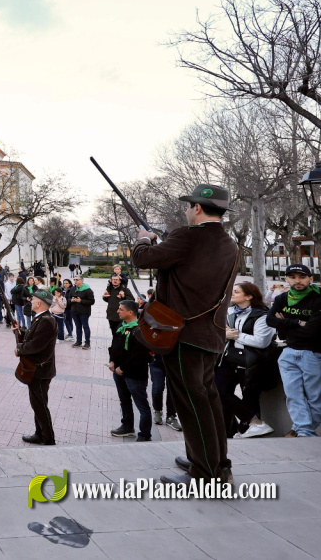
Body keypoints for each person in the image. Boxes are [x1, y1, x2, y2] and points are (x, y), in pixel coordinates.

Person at [132, 183, 238, 485]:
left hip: (182, 335)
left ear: (198, 208)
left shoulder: (188, 236)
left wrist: (143, 239)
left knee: (192, 405)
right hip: (211, 335)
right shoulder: (230, 244)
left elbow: (143, 259)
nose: (186, 211)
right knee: (208, 401)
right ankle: (216, 464)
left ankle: (205, 474)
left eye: (188, 206)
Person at [266, 263, 321, 438]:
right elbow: (270, 320)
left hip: (315, 353)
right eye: (293, 277)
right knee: (293, 395)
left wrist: (285, 323)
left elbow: (312, 331)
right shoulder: (282, 298)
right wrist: (296, 322)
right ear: (286, 279)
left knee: (315, 397)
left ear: (310, 279)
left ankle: (301, 431)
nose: (297, 281)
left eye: (302, 277)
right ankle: (303, 431)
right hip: (289, 352)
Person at [217, 283, 276, 439]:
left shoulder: (262, 315)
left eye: (236, 292)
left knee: (250, 396)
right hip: (229, 358)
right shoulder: (230, 311)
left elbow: (261, 341)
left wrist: (236, 336)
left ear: (249, 296)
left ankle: (248, 429)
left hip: (251, 362)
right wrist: (226, 335)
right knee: (218, 389)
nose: (232, 294)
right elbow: (222, 332)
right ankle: (249, 424)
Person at [15, 289, 58, 445]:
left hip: (40, 371)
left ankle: (48, 438)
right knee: (37, 404)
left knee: (40, 405)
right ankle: (39, 434)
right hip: (38, 370)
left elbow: (36, 345)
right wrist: (20, 330)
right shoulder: (41, 318)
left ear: (39, 303)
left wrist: (20, 349)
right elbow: (33, 336)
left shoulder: (46, 321)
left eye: (33, 299)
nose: (31, 301)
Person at [108, 300, 152, 442]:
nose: (118, 311)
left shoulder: (140, 329)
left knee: (142, 405)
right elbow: (114, 345)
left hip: (134, 374)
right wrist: (112, 361)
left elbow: (139, 355)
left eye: (121, 309)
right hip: (119, 372)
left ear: (130, 312)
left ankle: (145, 434)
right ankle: (127, 427)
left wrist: (123, 368)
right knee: (124, 401)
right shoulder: (121, 326)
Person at [68, 275, 95, 349]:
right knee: (78, 326)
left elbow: (92, 301)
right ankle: (78, 341)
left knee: (85, 326)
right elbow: (68, 298)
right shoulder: (73, 288)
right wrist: (71, 300)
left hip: (84, 312)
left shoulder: (87, 290)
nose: (75, 281)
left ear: (82, 280)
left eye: (77, 280)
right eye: (74, 280)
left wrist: (81, 301)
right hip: (74, 311)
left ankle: (87, 343)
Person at [102, 274, 128, 338]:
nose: (115, 281)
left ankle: (118, 344)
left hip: (120, 316)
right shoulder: (110, 289)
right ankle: (114, 344)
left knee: (120, 334)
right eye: (113, 279)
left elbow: (131, 300)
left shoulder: (125, 290)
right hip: (111, 315)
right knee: (114, 333)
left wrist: (124, 297)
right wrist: (105, 297)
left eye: (116, 279)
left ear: (120, 281)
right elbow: (108, 300)